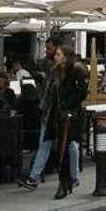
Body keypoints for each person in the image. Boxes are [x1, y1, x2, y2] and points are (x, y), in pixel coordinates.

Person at [19, 46, 87, 199]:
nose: (55, 56)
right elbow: (51, 94)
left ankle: (65, 182)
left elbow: (82, 92)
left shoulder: (75, 72)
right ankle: (66, 180)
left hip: (69, 116)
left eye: (58, 54)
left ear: (66, 56)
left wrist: (67, 105)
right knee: (58, 148)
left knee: (67, 147)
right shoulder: (55, 72)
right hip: (55, 115)